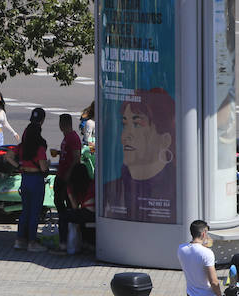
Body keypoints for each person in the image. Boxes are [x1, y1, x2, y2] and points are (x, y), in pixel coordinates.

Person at [102, 88, 177, 224]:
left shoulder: (179, 193)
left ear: (165, 140)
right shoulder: (110, 190)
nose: (125, 136)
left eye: (137, 124)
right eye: (124, 124)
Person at [12, 107, 48, 252]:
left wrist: (18, 166)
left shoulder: (23, 146)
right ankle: (32, 242)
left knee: (25, 211)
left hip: (25, 178)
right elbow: (44, 168)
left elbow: (8, 156)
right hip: (36, 179)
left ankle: (20, 240)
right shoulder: (39, 147)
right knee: (35, 212)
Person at [50, 113, 82, 250]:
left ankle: (66, 240)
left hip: (67, 178)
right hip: (62, 176)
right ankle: (64, 238)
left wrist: (68, 175)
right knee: (60, 205)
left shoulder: (73, 138)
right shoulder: (67, 138)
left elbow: (76, 158)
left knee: (66, 210)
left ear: (63, 124)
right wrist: (58, 153)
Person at [56, 163, 94, 253]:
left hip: (85, 212)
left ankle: (63, 244)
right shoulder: (93, 183)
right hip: (96, 214)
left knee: (63, 216)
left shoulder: (72, 186)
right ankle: (88, 243)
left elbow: (75, 207)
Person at [177, 220, 222, 296]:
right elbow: (214, 282)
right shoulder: (207, 253)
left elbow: (194, 257)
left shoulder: (181, 249)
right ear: (203, 234)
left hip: (190, 293)